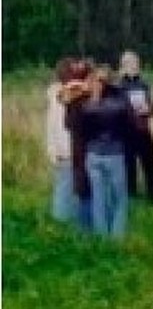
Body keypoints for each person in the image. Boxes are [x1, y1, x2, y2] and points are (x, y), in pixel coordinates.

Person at [79, 64, 133, 238]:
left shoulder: (87, 103)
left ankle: (102, 236)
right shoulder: (121, 99)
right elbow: (129, 125)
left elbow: (82, 131)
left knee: (98, 197)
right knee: (119, 198)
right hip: (114, 153)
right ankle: (117, 236)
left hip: (93, 153)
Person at [117, 51, 153, 202]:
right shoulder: (119, 86)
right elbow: (118, 109)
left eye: (136, 63)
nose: (135, 66)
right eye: (131, 63)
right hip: (127, 130)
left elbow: (152, 108)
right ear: (123, 66)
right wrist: (130, 110)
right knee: (129, 165)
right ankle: (131, 195)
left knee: (150, 163)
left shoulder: (143, 84)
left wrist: (148, 109)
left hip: (143, 128)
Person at [60, 58, 94, 231]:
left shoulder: (76, 97)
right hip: (82, 149)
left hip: (84, 148)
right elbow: (70, 123)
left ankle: (85, 226)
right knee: (84, 186)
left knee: (84, 185)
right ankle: (86, 226)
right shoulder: (72, 97)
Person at [46, 57, 77, 224]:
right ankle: (62, 220)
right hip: (67, 149)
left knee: (62, 185)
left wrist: (51, 149)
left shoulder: (53, 95)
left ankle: (60, 219)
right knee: (66, 187)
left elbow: (50, 126)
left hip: (58, 148)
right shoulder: (64, 95)